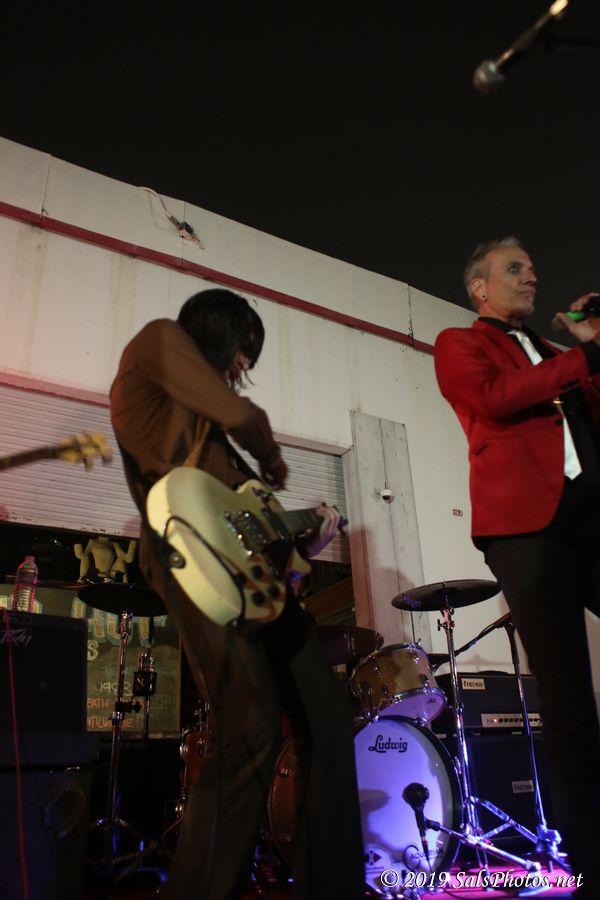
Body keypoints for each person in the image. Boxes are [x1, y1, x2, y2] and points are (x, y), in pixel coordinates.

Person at [110, 288, 365, 900]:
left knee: (330, 722)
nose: (244, 366)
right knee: (248, 729)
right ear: (216, 330)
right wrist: (273, 459)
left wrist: (309, 544)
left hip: (252, 586)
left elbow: (279, 572)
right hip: (185, 553)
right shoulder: (158, 342)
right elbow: (243, 414)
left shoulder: (219, 447)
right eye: (244, 350)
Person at [434, 236, 600, 898]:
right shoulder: (459, 342)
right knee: (568, 701)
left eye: (532, 268)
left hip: (589, 521)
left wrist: (590, 345)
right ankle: (591, 866)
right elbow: (496, 396)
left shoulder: (560, 356)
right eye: (514, 269)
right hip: (526, 531)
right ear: (480, 287)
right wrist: (582, 357)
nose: (531, 277)